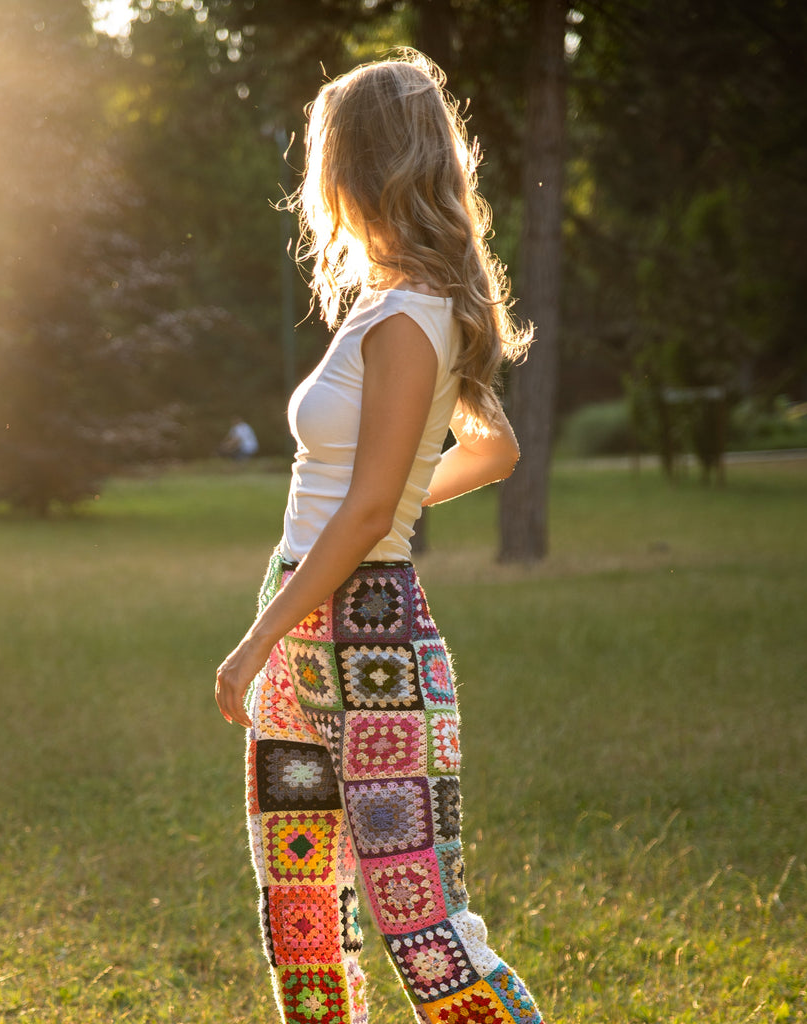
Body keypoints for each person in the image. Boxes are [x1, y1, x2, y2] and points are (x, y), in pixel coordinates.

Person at [215, 51, 545, 1024]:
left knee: (418, 920)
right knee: (303, 904)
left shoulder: (412, 315)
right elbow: (493, 450)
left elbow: (365, 512)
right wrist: (390, 499)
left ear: (358, 165)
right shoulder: (392, 299)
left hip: (369, 638)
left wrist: (256, 637)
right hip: (311, 612)